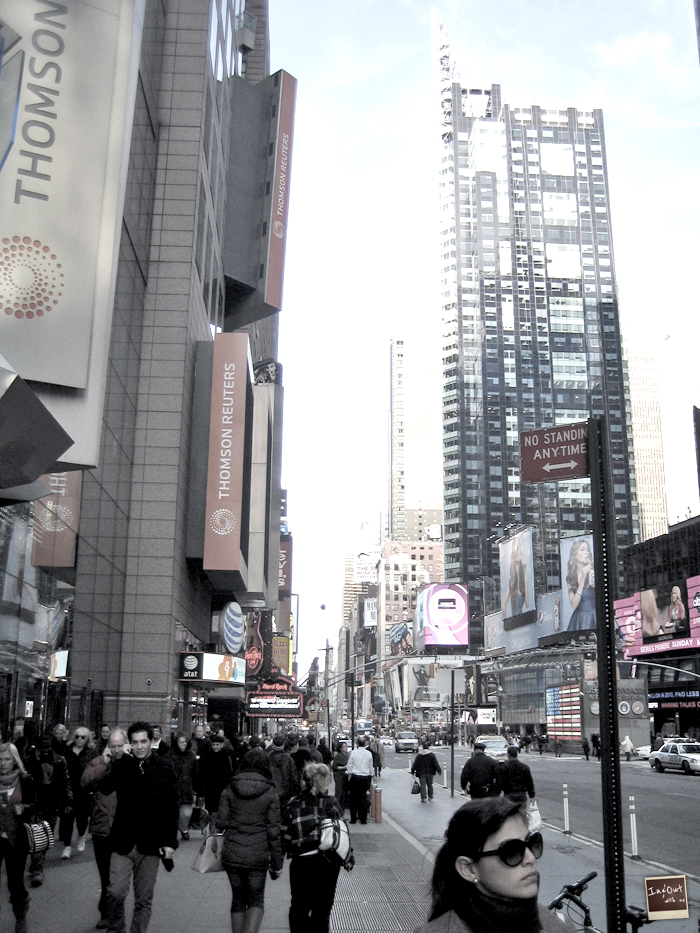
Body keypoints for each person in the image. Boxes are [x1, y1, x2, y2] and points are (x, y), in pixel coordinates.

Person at [414, 797, 576, 933]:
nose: (530, 858)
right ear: (468, 869)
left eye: (532, 843)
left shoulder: (560, 927)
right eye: (511, 851)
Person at [103, 720, 178, 933]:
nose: (139, 747)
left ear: (150, 741)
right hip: (123, 841)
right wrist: (108, 762)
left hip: (151, 843)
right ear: (130, 743)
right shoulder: (123, 765)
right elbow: (104, 788)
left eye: (143, 741)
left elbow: (172, 806)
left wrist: (169, 842)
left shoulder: (165, 767)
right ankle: (116, 929)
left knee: (143, 900)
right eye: (135, 742)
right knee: (115, 892)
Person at [216, 749, 283, 933]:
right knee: (256, 899)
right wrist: (277, 863)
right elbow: (274, 831)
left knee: (238, 898)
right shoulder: (270, 791)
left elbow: (221, 822)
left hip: (232, 851)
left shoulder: (230, 787)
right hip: (258, 855)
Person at [282, 763, 351, 933]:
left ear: (303, 782)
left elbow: (285, 837)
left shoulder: (293, 805)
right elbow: (341, 832)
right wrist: (349, 858)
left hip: (302, 862)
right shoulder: (332, 803)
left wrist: (276, 863)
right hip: (328, 863)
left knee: (299, 908)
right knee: (322, 911)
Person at [81, 728, 129, 929]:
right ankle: (107, 913)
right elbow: (85, 782)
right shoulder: (98, 762)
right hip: (102, 827)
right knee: (105, 875)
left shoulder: (131, 763)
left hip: (124, 828)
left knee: (117, 878)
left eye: (120, 746)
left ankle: (114, 917)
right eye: (113, 746)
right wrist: (104, 763)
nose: (116, 750)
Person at [24, 731, 72, 887]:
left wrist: (67, 802)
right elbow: (25, 780)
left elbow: (65, 781)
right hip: (35, 805)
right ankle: (38, 870)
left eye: (47, 747)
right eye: (42, 747)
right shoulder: (30, 760)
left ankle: (36, 864)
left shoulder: (59, 760)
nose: (45, 750)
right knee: (38, 836)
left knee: (46, 837)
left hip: (52, 803)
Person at [0, 743, 36, 932]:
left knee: (15, 884)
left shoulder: (25, 779)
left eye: (7, 759)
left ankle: (21, 916)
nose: (2, 763)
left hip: (16, 840)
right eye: (0, 759)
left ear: (15, 761)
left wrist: (25, 809)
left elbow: (36, 805)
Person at [61, 725, 98, 858]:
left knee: (82, 818)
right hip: (69, 789)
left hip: (84, 790)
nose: (80, 739)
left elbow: (96, 770)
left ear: (87, 739)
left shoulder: (91, 752)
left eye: (83, 737)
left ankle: (81, 836)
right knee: (67, 819)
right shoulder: (67, 751)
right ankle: (67, 846)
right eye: (77, 736)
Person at [165, 732, 198, 840]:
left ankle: (183, 828)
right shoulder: (169, 756)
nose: (183, 744)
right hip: (173, 788)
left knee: (186, 813)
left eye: (185, 742)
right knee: (173, 813)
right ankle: (173, 832)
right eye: (181, 742)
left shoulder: (191, 755)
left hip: (187, 788)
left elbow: (195, 773)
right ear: (176, 743)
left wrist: (197, 790)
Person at [196, 732, 235, 817]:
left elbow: (232, 771)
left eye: (217, 745)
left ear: (222, 745)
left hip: (223, 788)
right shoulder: (208, 756)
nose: (215, 747)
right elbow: (202, 774)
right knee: (212, 812)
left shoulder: (228, 755)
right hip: (211, 789)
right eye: (213, 745)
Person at [566, 539, 596, 631]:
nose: (586, 552)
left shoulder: (594, 570)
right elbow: (574, 605)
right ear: (575, 555)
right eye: (582, 550)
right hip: (580, 619)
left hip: (595, 615)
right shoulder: (571, 577)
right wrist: (583, 578)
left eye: (587, 550)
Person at [346, 736, 373, 824]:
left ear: (357, 744)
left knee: (353, 798)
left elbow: (349, 764)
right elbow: (370, 766)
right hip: (365, 777)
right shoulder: (368, 753)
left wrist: (349, 774)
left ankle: (353, 818)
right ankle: (363, 819)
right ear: (364, 744)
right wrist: (372, 775)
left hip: (355, 777)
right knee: (363, 798)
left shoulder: (353, 753)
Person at [501, 535, 529, 619]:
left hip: (522, 622)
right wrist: (506, 620)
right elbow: (503, 605)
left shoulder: (522, 578)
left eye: (520, 547)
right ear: (513, 553)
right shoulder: (512, 582)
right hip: (515, 622)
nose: (520, 550)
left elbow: (527, 604)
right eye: (517, 548)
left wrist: (524, 573)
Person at [267, 733, 298, 806]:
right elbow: (293, 776)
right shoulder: (289, 759)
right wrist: (295, 792)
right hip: (286, 792)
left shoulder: (268, 758)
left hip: (271, 790)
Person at [331, 742, 349, 812]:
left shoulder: (348, 755)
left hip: (346, 775)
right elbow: (334, 767)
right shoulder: (338, 756)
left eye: (346, 746)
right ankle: (336, 808)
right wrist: (344, 767)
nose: (346, 747)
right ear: (340, 748)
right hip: (339, 775)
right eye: (344, 746)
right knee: (339, 792)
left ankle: (342, 808)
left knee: (344, 793)